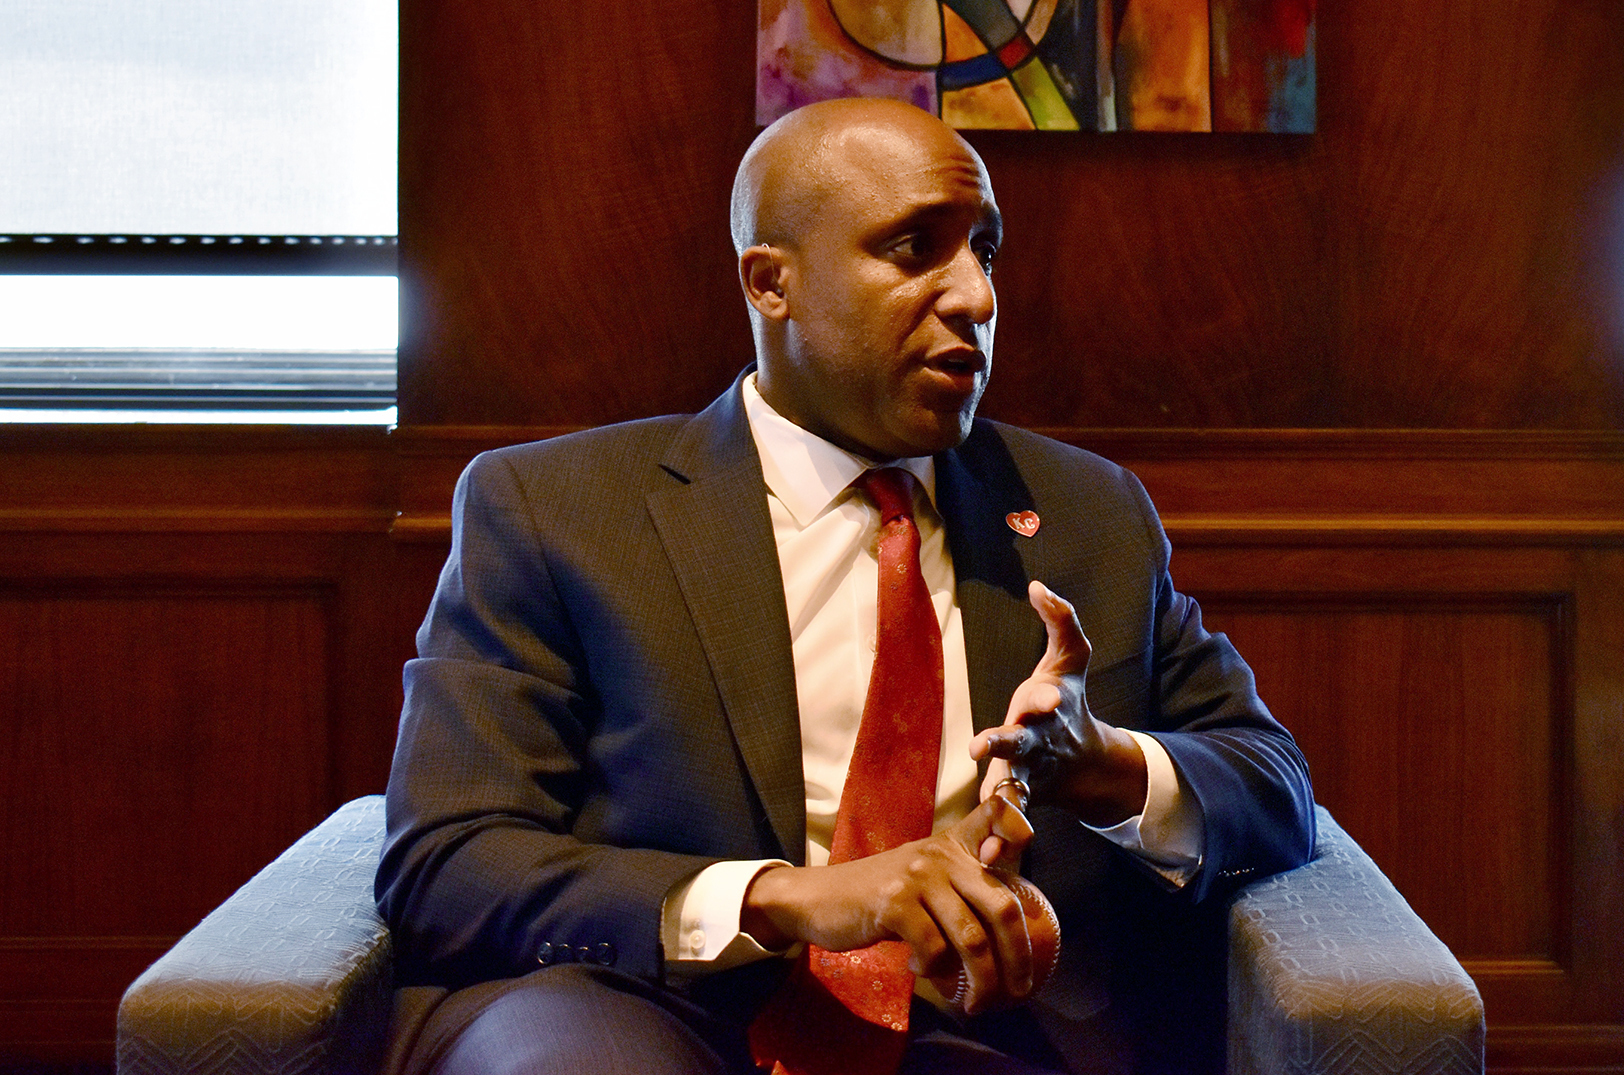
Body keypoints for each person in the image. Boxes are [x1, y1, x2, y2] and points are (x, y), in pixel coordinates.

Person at [376, 97, 1315, 1075]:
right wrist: (790, 897)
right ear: (770, 282)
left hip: (981, 1034)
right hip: (651, 1012)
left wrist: (1106, 763)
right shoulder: (558, 510)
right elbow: (449, 863)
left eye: (983, 252)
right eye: (914, 249)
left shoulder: (1086, 515)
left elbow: (1272, 787)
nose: (975, 297)